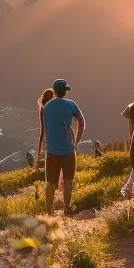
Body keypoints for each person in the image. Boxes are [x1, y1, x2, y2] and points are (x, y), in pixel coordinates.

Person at [40, 79, 85, 214]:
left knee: (51, 183)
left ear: (54, 91)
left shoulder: (46, 107)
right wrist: (76, 142)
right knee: (68, 180)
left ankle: (49, 211)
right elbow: (82, 122)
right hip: (68, 150)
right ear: (65, 91)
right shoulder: (71, 105)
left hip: (52, 151)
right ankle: (66, 208)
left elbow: (45, 128)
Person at [34, 87, 55, 168]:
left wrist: (38, 152)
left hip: (49, 139)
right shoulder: (56, 107)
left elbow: (42, 131)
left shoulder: (43, 109)